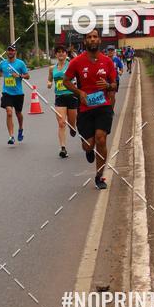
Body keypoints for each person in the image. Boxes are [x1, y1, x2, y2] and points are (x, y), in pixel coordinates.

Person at [63, 28, 117, 189]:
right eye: (89, 37)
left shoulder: (107, 61)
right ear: (85, 41)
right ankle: (88, 150)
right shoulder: (76, 62)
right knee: (88, 145)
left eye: (95, 37)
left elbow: (114, 84)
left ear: (99, 40)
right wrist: (79, 92)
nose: (92, 39)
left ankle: (99, 176)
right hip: (85, 109)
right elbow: (66, 81)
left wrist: (108, 85)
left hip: (103, 106)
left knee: (101, 138)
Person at [0, 45, 30, 145]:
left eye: (12, 50)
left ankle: (21, 128)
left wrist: (19, 75)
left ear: (15, 52)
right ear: (6, 52)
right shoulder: (3, 63)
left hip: (18, 93)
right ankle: (11, 136)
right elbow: (0, 71)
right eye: (9, 50)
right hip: (7, 92)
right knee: (9, 112)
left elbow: (27, 76)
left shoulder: (20, 63)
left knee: (18, 113)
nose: (10, 52)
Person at [47, 44, 77, 157]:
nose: (60, 53)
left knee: (72, 123)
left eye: (63, 51)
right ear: (55, 54)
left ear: (65, 54)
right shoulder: (52, 68)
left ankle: (73, 128)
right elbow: (50, 80)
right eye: (58, 52)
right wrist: (49, 83)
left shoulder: (71, 65)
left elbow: (77, 77)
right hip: (59, 97)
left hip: (72, 96)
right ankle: (63, 148)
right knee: (61, 123)